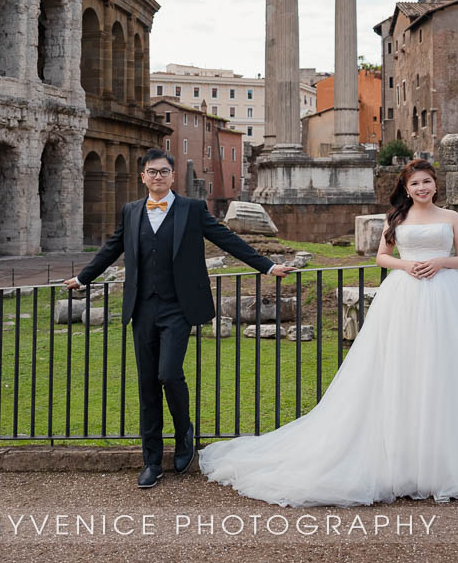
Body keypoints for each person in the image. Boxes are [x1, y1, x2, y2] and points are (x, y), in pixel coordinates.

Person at [198, 158, 458, 507]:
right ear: (406, 189)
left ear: (435, 184)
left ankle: (448, 460)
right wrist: (407, 265)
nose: (422, 188)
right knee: (402, 369)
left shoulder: (450, 217)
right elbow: (382, 257)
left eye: (427, 182)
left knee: (448, 371)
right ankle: (403, 458)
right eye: (415, 183)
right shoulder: (397, 217)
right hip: (405, 295)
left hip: (449, 295)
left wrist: (440, 261)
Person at [65, 148, 296, 489]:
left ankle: (184, 431)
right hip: (142, 308)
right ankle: (152, 461)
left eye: (163, 171)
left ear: (173, 177)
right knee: (147, 384)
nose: (157, 176)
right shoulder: (131, 211)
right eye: (152, 171)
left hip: (177, 307)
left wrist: (267, 266)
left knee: (169, 373)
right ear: (143, 177)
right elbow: (111, 249)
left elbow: (227, 239)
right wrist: (83, 278)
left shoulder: (192, 209)